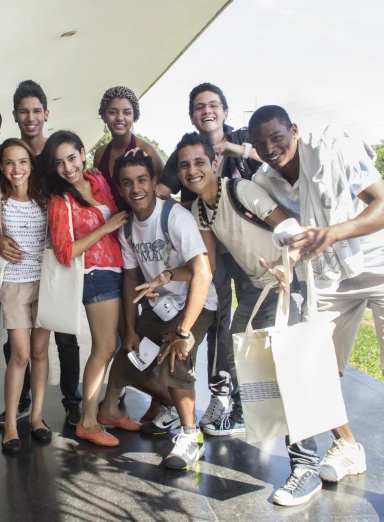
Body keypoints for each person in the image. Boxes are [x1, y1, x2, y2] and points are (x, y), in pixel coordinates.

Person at [250, 105, 384, 520]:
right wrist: (287, 262)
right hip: (334, 272)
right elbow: (296, 233)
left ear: (293, 130)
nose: (270, 148)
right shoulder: (266, 179)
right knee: (311, 364)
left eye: (276, 137)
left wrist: (333, 233)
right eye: (260, 144)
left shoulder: (335, 149)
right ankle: (347, 445)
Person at [173, 131, 324, 505]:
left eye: (199, 162)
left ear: (212, 163)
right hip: (257, 289)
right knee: (239, 348)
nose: (193, 171)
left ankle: (306, 466)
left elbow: (289, 227)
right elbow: (204, 267)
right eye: (184, 165)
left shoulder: (241, 190)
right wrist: (168, 279)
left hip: (286, 281)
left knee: (284, 370)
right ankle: (243, 414)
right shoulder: (198, 211)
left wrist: (287, 265)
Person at [97, 150, 215, 469]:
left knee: (175, 358)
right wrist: (132, 329)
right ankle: (171, 404)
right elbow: (131, 278)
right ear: (120, 189)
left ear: (152, 182)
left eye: (141, 180)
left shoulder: (175, 217)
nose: (136, 188)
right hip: (160, 307)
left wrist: (183, 332)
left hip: (197, 303)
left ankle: (191, 437)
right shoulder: (127, 229)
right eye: (127, 183)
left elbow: (202, 273)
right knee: (126, 363)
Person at [157, 83, 264, 436]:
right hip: (210, 242)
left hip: (252, 249)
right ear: (191, 115)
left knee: (250, 325)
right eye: (199, 106)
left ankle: (249, 402)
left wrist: (234, 148)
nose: (207, 111)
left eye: (213, 105)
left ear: (225, 111)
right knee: (219, 317)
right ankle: (221, 393)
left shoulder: (246, 137)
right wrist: (189, 210)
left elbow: (277, 156)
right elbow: (161, 191)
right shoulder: (183, 151)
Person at [0, 80, 83, 428]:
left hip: (54, 263)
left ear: (46, 114)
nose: (30, 117)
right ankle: (22, 401)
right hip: (18, 269)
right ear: (15, 116)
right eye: (24, 111)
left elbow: (75, 187)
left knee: (65, 338)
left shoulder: (53, 151)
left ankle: (71, 400)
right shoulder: (5, 155)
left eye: (36, 111)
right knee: (19, 345)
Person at [44, 130, 127, 447]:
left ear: (82, 153)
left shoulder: (97, 181)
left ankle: (107, 410)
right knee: (104, 347)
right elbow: (64, 251)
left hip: (116, 268)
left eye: (71, 158)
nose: (67, 167)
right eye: (59, 163)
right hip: (94, 273)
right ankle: (89, 421)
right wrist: (104, 228)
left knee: (116, 344)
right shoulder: (59, 199)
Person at [0, 138, 51, 452]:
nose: (16, 168)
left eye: (22, 161)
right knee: (20, 354)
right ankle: (11, 423)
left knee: (39, 353)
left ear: (31, 163)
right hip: (13, 283)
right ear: (2, 166)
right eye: (9, 162)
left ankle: (37, 417)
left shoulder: (46, 198)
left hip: (45, 283)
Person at [93, 86, 165, 212]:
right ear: (104, 116)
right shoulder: (100, 153)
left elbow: (164, 193)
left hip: (141, 225)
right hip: (111, 226)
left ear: (134, 117)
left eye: (126, 112)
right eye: (113, 112)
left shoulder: (147, 151)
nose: (120, 117)